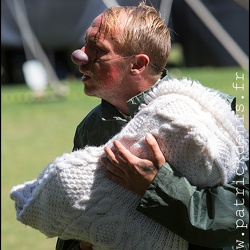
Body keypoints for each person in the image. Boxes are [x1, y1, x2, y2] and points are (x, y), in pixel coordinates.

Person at [28, 2, 250, 250]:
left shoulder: (208, 115)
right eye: (85, 43)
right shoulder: (91, 128)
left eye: (98, 49)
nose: (80, 56)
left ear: (138, 64)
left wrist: (156, 186)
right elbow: (73, 221)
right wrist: (85, 241)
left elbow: (240, 220)